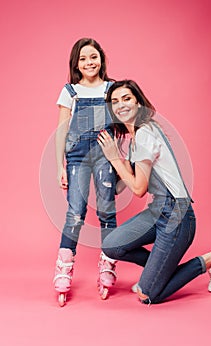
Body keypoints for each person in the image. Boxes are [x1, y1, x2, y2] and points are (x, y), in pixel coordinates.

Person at [98, 79, 211, 305]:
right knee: (111, 245)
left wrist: (113, 158)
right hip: (157, 211)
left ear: (138, 103)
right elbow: (122, 187)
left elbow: (138, 189)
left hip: (177, 216)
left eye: (126, 98)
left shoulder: (145, 133)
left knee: (148, 295)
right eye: (115, 101)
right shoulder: (133, 140)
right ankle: (158, 271)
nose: (121, 105)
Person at [53, 38, 118, 306]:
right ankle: (64, 267)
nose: (89, 62)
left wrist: (122, 161)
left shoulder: (111, 89)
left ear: (101, 58)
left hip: (106, 156)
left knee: (106, 210)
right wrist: (60, 166)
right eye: (83, 58)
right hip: (77, 156)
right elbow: (61, 132)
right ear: (75, 63)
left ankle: (108, 263)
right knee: (75, 212)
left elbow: (125, 122)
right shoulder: (70, 91)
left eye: (93, 57)